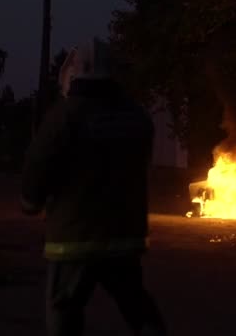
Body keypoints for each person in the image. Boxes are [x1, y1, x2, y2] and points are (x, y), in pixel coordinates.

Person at [21, 38, 166, 336]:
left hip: (74, 239)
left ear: (74, 74)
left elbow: (38, 163)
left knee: (65, 309)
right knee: (136, 305)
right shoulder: (137, 117)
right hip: (125, 237)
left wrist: (30, 201)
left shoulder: (64, 116)